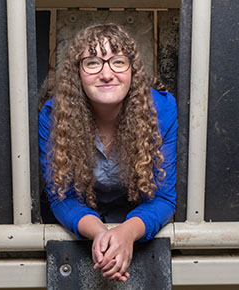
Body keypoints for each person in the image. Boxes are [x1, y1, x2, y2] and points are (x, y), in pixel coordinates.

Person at [38, 24, 177, 282]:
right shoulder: (53, 114)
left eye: (118, 61)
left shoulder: (162, 109)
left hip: (138, 220)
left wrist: (127, 233)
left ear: (132, 71)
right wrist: (100, 234)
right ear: (77, 73)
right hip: (78, 225)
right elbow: (60, 198)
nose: (106, 74)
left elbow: (164, 198)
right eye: (92, 63)